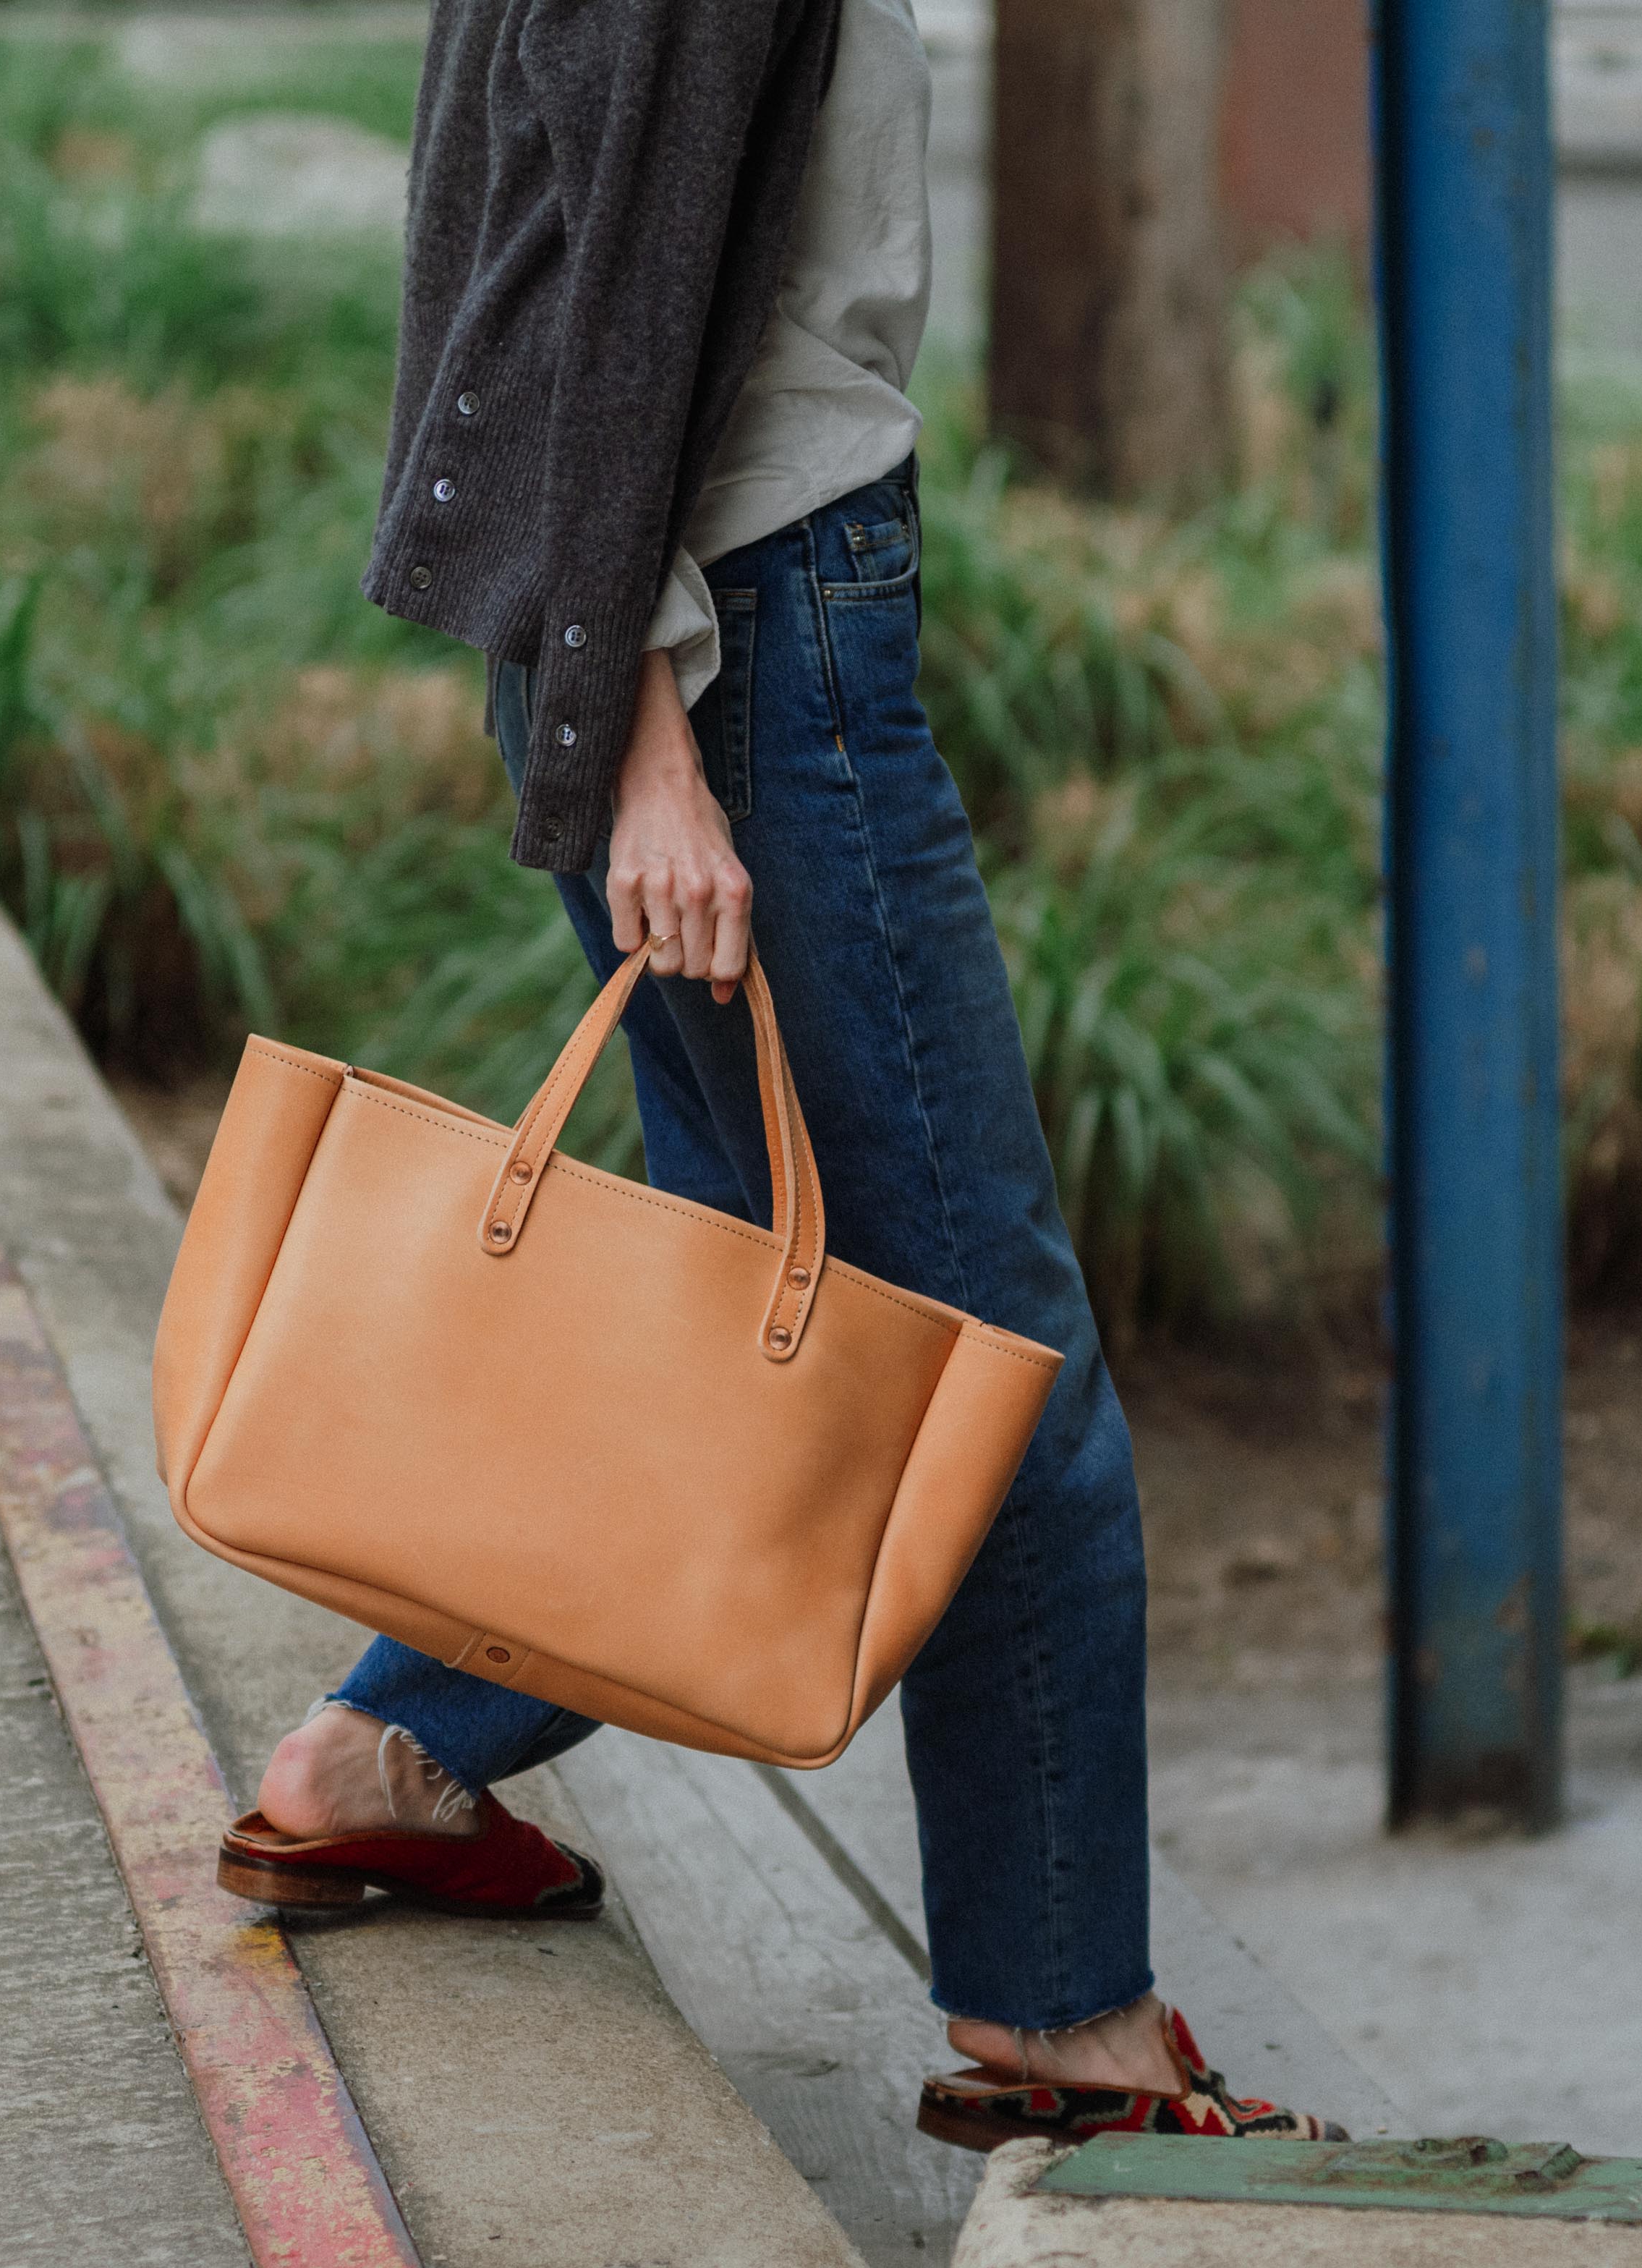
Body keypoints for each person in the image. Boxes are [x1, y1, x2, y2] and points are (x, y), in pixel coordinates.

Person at [220, 0, 1342, 2146]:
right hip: (755, 651)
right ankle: (1058, 2017)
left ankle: (385, 1760)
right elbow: (590, 289)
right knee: (982, 1356)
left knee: (754, 1300)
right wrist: (641, 754)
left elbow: (531, 219)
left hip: (697, 631)